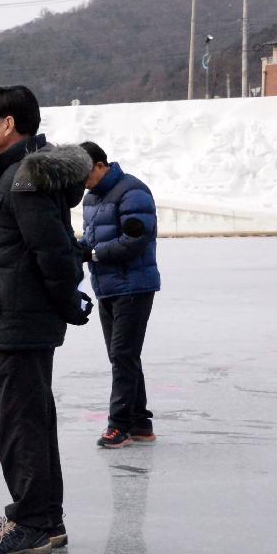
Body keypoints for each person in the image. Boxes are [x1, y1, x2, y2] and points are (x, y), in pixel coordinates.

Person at [0, 86, 93, 554]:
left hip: (18, 319)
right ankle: (44, 519)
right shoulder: (17, 173)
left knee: (21, 423)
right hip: (13, 315)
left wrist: (65, 305)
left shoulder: (24, 177)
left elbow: (53, 251)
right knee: (29, 418)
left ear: (9, 124)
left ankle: (33, 522)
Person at [78, 141, 161, 449]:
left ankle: (119, 426)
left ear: (101, 165)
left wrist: (95, 254)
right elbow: (92, 237)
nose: (83, 180)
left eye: (85, 172)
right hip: (107, 288)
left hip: (134, 286)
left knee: (123, 356)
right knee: (123, 356)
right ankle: (140, 423)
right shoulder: (91, 198)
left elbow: (136, 237)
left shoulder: (132, 191)